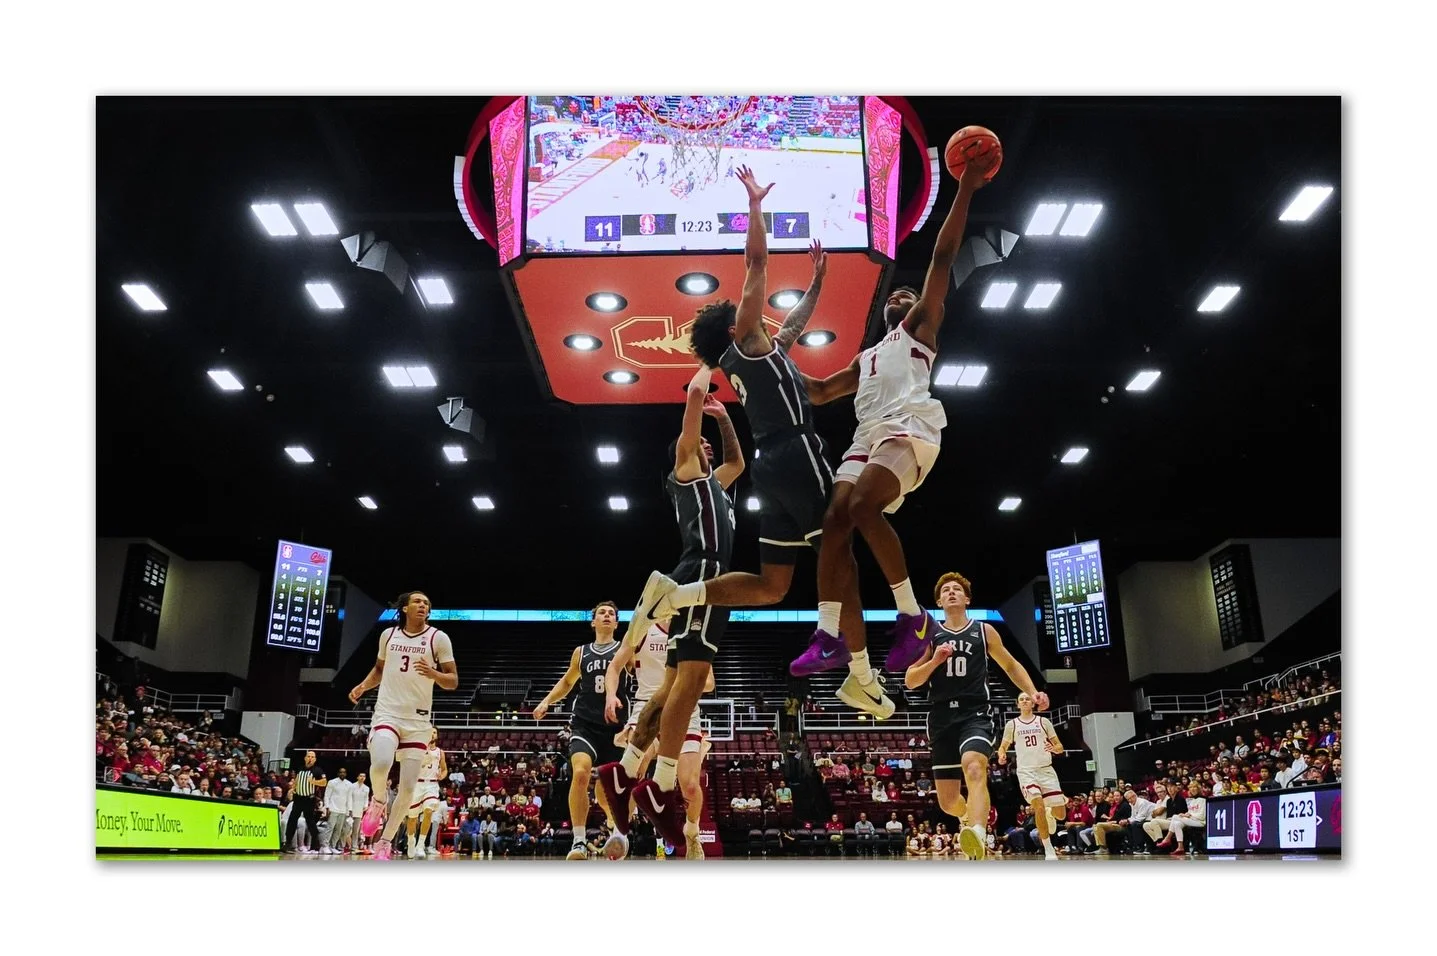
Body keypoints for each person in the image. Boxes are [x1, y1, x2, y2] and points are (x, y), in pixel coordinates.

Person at [793, 145, 1001, 691]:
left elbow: (941, 257)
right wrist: (760, 358)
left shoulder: (919, 330)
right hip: (865, 437)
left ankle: (912, 615)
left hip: (911, 425)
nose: (905, 296)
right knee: (834, 523)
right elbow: (814, 392)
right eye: (899, 294)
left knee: (863, 505)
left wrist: (967, 187)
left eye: (910, 294)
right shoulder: (865, 358)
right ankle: (829, 633)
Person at [633, 215, 861, 703]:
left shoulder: (758, 355)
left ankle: (679, 594)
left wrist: (818, 281)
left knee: (773, 585)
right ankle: (852, 665)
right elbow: (756, 262)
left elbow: (795, 325)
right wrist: (755, 207)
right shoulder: (750, 344)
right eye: (746, 313)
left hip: (770, 465)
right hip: (796, 450)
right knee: (838, 546)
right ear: (737, 328)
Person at [598, 367, 742, 854]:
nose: (706, 449)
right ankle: (658, 786)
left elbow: (738, 462)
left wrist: (724, 420)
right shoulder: (685, 474)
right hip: (700, 578)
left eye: (706, 447)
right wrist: (709, 363)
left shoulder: (717, 486)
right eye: (700, 445)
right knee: (693, 679)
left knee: (672, 681)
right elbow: (695, 396)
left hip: (707, 582)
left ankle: (627, 771)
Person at [904, 571, 1048, 860]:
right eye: (946, 590)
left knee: (974, 767)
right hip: (942, 717)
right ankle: (967, 818)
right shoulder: (931, 636)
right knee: (948, 803)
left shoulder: (984, 631)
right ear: (939, 601)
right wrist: (935, 661)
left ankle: (980, 833)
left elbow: (1010, 664)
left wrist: (1033, 692)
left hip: (975, 713)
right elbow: (911, 680)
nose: (952, 592)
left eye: (957, 589)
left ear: (967, 598)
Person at [346, 590, 458, 859]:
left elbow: (453, 680)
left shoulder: (438, 638)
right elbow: (380, 671)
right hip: (387, 712)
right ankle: (379, 800)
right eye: (417, 602)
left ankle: (384, 842)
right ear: (405, 608)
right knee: (382, 762)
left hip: (418, 720)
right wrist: (363, 686)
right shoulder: (389, 635)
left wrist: (433, 673)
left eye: (427, 603)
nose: (423, 605)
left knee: (408, 788)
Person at [602, 616, 716, 861]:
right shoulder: (642, 629)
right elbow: (614, 666)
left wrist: (681, 684)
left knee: (690, 786)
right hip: (647, 705)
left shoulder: (692, 635)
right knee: (634, 770)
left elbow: (708, 682)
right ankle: (619, 833)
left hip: (684, 708)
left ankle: (692, 832)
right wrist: (611, 695)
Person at [531, 600, 630, 860]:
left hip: (617, 727)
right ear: (593, 621)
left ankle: (614, 825)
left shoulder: (625, 649)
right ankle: (578, 841)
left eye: (611, 614)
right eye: (602, 613)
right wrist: (546, 701)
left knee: (606, 791)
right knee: (581, 772)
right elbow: (567, 681)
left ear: (617, 623)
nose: (607, 616)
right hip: (585, 724)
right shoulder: (581, 652)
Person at [996, 692, 1067, 860]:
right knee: (1038, 806)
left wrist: (1055, 749)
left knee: (1061, 815)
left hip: (1046, 770)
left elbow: (1060, 746)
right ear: (1017, 704)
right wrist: (1001, 755)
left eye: (1028, 698)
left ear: (1033, 703)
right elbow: (1003, 746)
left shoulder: (1044, 722)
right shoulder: (1012, 724)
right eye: (1021, 699)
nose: (1025, 701)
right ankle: (1048, 848)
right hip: (1026, 771)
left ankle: (1050, 812)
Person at [404, 728, 447, 859]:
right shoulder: (418, 749)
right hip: (417, 784)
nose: (432, 734)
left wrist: (442, 775)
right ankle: (411, 841)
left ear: (437, 736)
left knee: (429, 811)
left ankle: (421, 845)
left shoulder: (440, 752)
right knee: (412, 818)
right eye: (430, 732)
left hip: (432, 784)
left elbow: (444, 770)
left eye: (434, 732)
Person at [283, 751, 325, 854]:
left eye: (312, 757)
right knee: (292, 820)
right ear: (305, 758)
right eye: (308, 756)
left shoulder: (318, 770)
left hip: (309, 799)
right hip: (298, 798)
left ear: (315, 759)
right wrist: (292, 789)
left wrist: (314, 782)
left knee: (310, 822)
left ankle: (315, 845)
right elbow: (297, 780)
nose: (310, 758)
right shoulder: (300, 768)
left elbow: (324, 782)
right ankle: (287, 843)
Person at [1156, 782, 1207, 855]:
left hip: (1200, 822)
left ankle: (1167, 838)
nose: (1192, 789)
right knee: (1177, 824)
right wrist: (1185, 814)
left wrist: (1189, 815)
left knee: (1175, 816)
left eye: (1194, 787)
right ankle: (1180, 847)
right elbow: (1190, 812)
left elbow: (1201, 816)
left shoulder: (1203, 800)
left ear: (1198, 789)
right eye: (1191, 787)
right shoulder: (1192, 800)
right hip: (1192, 820)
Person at [321, 765, 352, 855]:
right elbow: (327, 795)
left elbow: (349, 798)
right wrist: (327, 807)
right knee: (330, 828)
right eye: (340, 772)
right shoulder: (332, 782)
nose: (342, 773)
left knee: (338, 830)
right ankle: (324, 846)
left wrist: (349, 810)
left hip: (343, 810)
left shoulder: (349, 784)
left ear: (346, 774)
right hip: (333, 808)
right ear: (338, 773)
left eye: (344, 772)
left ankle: (332, 846)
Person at [345, 771, 369, 854]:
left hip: (359, 811)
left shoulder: (366, 788)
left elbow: (366, 799)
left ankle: (354, 847)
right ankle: (342, 846)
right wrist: (350, 810)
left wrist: (366, 806)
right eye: (360, 776)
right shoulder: (352, 786)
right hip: (350, 811)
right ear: (357, 777)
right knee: (347, 830)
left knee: (356, 830)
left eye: (364, 776)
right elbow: (349, 798)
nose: (362, 778)